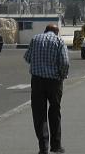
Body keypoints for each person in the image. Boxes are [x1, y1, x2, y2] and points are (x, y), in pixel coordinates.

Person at [24, 23, 69, 154]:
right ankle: (56, 145)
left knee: (39, 114)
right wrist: (62, 75)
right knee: (55, 111)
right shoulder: (59, 41)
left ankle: (43, 148)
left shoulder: (35, 39)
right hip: (54, 82)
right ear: (56, 32)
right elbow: (65, 62)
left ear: (45, 31)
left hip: (37, 81)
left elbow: (27, 58)